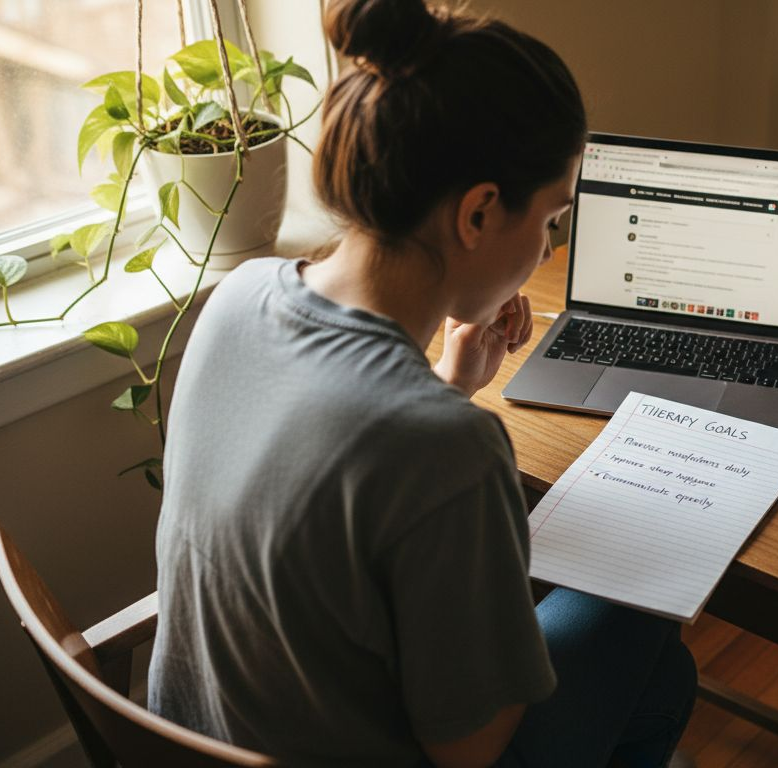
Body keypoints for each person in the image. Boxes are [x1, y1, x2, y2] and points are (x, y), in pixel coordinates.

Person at [147, 2, 696, 766]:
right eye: (550, 221)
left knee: (661, 680)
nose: (546, 251)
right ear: (478, 213)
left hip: (197, 737)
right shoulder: (448, 448)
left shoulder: (237, 297)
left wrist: (446, 383)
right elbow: (469, 750)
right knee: (649, 601)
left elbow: (340, 454)